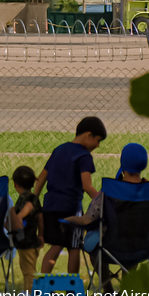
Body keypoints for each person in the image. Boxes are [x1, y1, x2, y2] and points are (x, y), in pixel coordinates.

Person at [64, 143, 149, 292]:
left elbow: (89, 219)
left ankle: (108, 291)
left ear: (123, 166)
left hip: (110, 247)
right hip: (144, 247)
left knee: (95, 248)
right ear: (144, 165)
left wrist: (67, 220)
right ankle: (126, 291)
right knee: (133, 246)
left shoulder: (108, 191)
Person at [34, 116, 107, 274]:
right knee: (74, 247)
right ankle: (72, 288)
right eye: (98, 140)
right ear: (89, 135)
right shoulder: (84, 156)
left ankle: (43, 285)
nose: (97, 145)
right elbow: (86, 185)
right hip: (71, 209)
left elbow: (41, 178)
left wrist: (34, 199)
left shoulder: (59, 150)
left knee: (55, 246)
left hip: (50, 207)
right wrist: (100, 200)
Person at [10, 166, 43, 291]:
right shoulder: (34, 198)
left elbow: (28, 207)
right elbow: (40, 217)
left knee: (29, 270)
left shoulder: (25, 199)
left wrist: (19, 216)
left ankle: (30, 292)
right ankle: (27, 290)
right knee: (27, 267)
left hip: (26, 241)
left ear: (15, 184)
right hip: (33, 239)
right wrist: (41, 235)